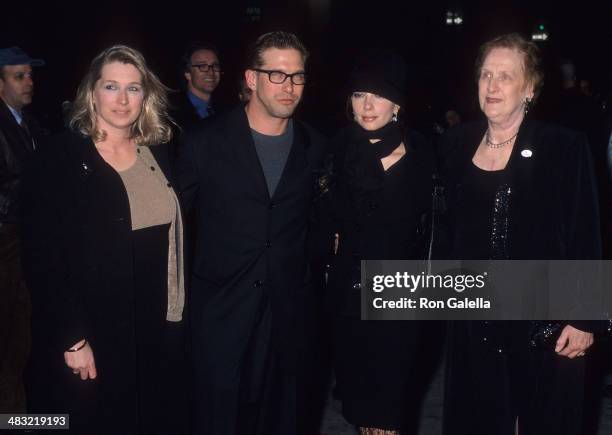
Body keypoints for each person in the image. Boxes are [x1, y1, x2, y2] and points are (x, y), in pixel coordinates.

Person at [21, 45, 188, 435]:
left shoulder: (157, 150)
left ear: (146, 95)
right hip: (91, 328)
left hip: (151, 325)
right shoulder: (58, 157)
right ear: (91, 92)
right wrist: (72, 337)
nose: (122, 99)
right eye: (111, 86)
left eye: (133, 88)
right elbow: (42, 258)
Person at [441, 33, 601, 435]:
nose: (492, 86)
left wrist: (584, 318)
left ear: (529, 88)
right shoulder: (456, 145)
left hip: (542, 322)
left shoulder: (563, 147)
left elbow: (585, 232)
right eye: (485, 75)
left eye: (505, 77)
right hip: (473, 319)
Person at [176, 31, 326, 435]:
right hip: (222, 314)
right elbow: (172, 228)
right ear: (250, 78)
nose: (289, 86)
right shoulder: (203, 143)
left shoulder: (315, 147)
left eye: (297, 76)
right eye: (276, 74)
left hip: (289, 321)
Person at [318, 51, 435, 435]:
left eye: (378, 94)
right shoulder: (333, 150)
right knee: (361, 413)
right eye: (358, 94)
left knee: (388, 415)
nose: (366, 105)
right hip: (348, 301)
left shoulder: (423, 155)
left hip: (400, 300)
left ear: (398, 102)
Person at [0, 46, 45, 412]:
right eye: (19, 76)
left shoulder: (29, 124)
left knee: (20, 342)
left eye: (30, 75)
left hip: (24, 244)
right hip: (6, 243)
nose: (29, 82)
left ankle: (16, 416)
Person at [173, 42, 222, 128]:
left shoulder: (226, 109)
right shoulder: (172, 115)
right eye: (202, 66)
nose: (211, 72)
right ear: (188, 74)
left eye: (215, 66)